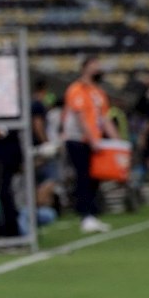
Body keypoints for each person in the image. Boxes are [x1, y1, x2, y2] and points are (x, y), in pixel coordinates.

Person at [61, 58, 115, 234]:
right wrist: (92, 139)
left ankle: (92, 213)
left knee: (94, 177)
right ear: (85, 69)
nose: (98, 69)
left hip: (94, 140)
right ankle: (85, 214)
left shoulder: (98, 92)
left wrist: (117, 140)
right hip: (78, 139)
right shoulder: (76, 90)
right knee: (83, 176)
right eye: (94, 66)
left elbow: (105, 118)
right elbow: (80, 116)